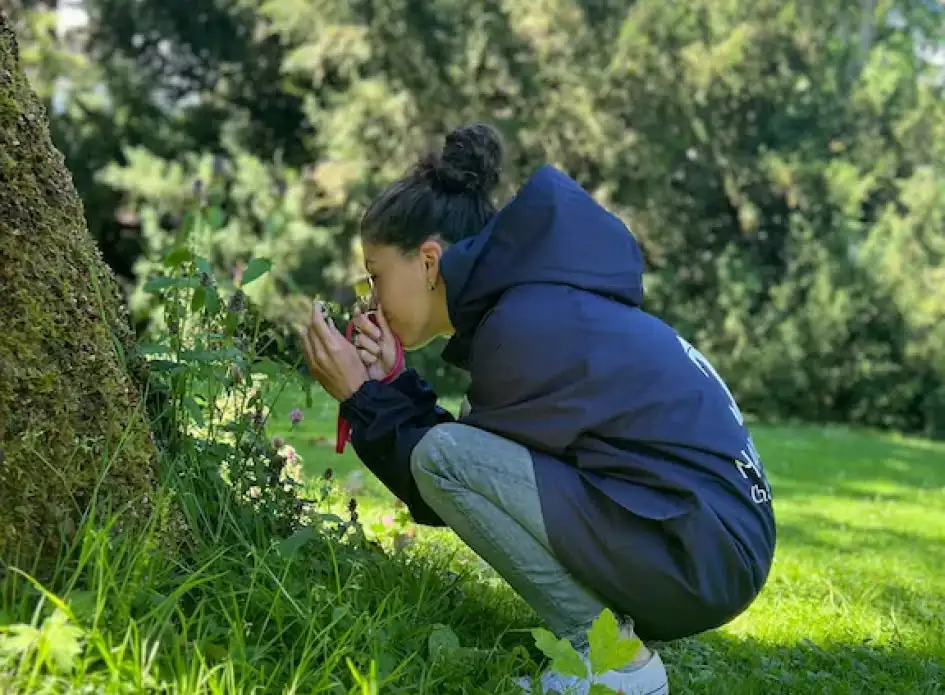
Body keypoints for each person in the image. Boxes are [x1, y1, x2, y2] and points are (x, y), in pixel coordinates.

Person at [299, 123, 777, 695]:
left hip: (702, 549)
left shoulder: (521, 326)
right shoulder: (539, 302)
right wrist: (392, 386)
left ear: (428, 261)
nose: (371, 299)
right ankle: (613, 650)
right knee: (444, 456)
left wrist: (362, 396)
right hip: (711, 542)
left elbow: (445, 476)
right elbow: (486, 470)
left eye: (375, 276)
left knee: (441, 458)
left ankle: (613, 663)